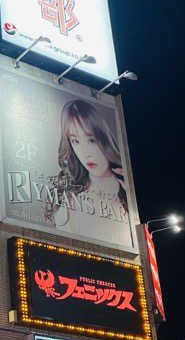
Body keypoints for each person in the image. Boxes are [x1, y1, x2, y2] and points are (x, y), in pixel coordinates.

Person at [46, 99, 130, 241]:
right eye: (76, 141)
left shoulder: (127, 191)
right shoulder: (69, 199)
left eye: (91, 140)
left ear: (105, 138)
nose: (86, 153)